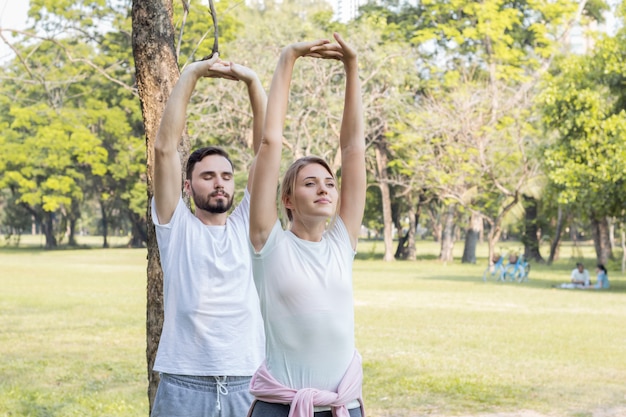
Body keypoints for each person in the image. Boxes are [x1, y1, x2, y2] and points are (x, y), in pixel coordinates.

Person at [247, 33, 366, 417]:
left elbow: (352, 149)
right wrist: (287, 60)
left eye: (330, 183)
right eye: (310, 183)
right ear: (287, 199)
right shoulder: (270, 245)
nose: (324, 189)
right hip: (283, 409)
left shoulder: (340, 244)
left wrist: (352, 67)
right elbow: (270, 143)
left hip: (341, 406)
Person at [150, 54, 266, 417]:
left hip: (247, 380)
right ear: (188, 185)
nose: (219, 183)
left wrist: (253, 83)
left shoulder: (248, 223)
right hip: (184, 383)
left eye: (226, 176)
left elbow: (267, 151)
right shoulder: (177, 226)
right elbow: (164, 149)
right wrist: (192, 73)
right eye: (208, 176)